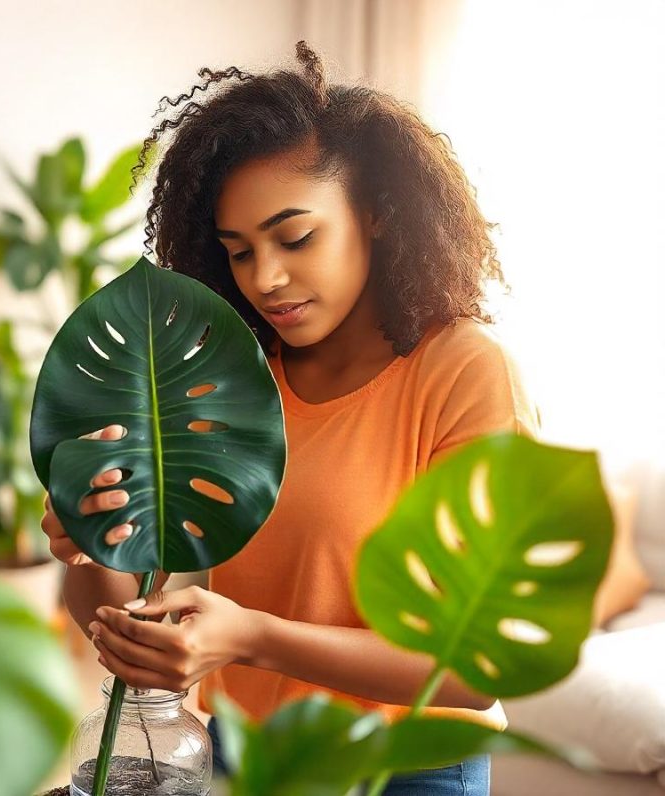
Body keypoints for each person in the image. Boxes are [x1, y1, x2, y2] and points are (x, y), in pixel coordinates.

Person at [41, 41, 538, 795]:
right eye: (238, 252)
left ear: (376, 213)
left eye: (295, 237)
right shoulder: (236, 375)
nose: (265, 278)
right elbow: (122, 621)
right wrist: (93, 540)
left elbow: (477, 669)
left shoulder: (464, 371)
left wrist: (253, 638)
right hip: (242, 758)